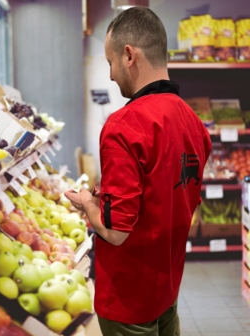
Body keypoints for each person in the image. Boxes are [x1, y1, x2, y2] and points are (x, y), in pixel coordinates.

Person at [65, 6, 211, 336]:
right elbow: (167, 197)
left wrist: (88, 203)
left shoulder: (123, 126)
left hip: (128, 300)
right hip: (167, 289)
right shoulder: (195, 123)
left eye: (110, 63)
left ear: (129, 55)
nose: (112, 75)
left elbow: (116, 232)